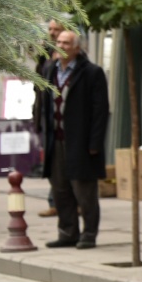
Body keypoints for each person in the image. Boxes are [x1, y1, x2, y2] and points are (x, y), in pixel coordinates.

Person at [40, 29, 109, 250]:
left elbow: (100, 111)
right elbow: (42, 103)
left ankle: (89, 234)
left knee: (84, 191)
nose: (61, 46)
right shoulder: (50, 70)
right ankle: (68, 232)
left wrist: (95, 143)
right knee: (60, 190)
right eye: (59, 42)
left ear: (77, 48)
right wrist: (41, 131)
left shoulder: (92, 73)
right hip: (55, 140)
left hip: (81, 142)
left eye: (67, 43)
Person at [35, 18, 64, 218]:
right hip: (46, 115)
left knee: (62, 162)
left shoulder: (70, 57)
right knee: (52, 161)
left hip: (64, 118)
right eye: (50, 29)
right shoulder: (44, 56)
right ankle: (56, 202)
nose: (52, 33)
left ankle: (61, 202)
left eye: (56, 29)